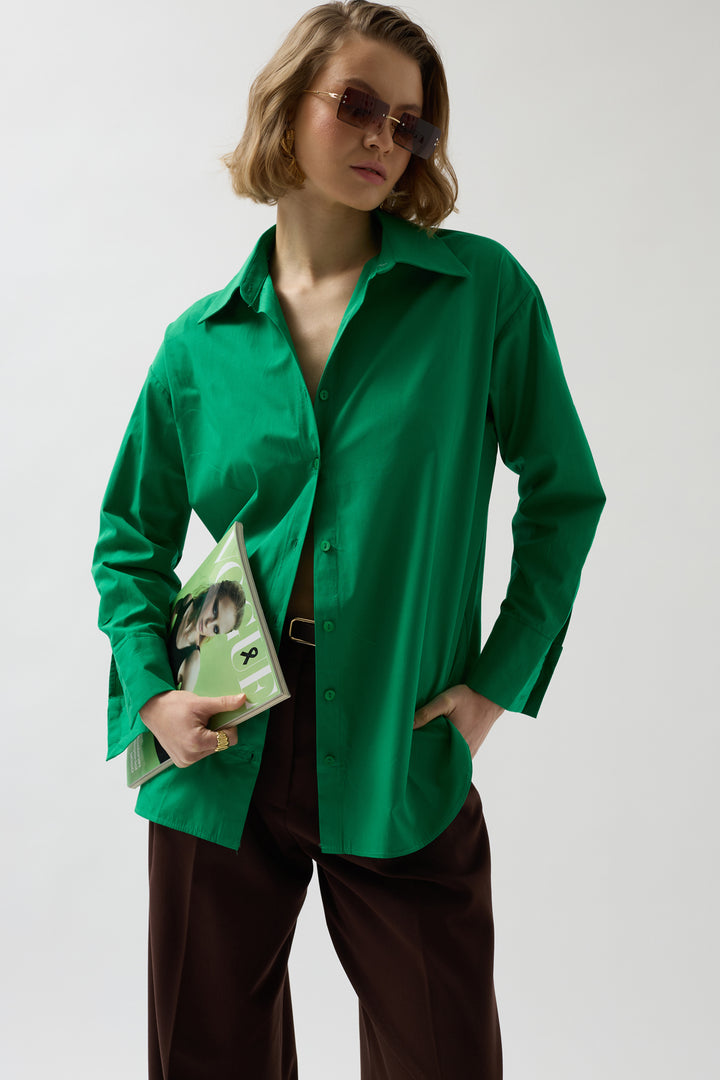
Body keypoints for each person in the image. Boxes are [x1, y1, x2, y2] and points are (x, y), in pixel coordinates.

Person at [92, 2, 605, 1076]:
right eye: (359, 105)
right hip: (221, 728)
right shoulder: (199, 343)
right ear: (287, 110)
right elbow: (129, 537)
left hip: (397, 731)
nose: (385, 139)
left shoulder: (479, 296)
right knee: (205, 1056)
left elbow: (565, 494)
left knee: (439, 1051)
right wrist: (152, 696)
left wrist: (496, 681)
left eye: (411, 125)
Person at [167, 580, 247, 691]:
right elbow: (164, 626)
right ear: (211, 592)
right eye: (215, 610)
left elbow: (179, 702)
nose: (208, 624)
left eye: (216, 629)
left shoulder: (193, 660)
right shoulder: (186, 602)